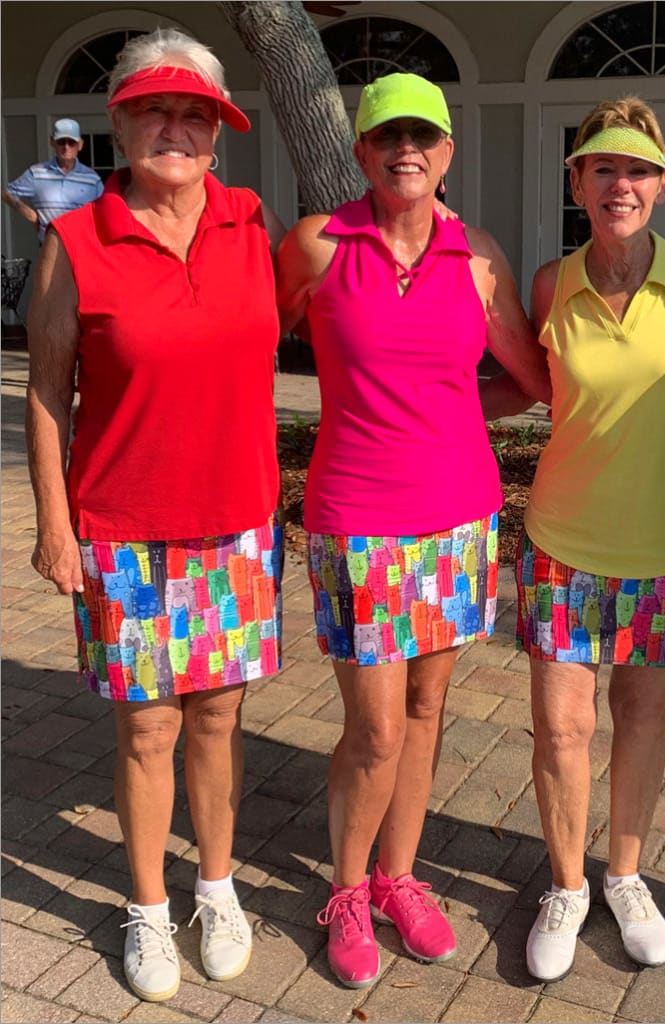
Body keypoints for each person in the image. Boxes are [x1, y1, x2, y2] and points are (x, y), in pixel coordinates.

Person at [25, 29, 285, 1003]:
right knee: (148, 728)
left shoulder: (250, 222)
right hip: (125, 528)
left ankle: (214, 886)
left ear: (218, 131)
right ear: (119, 122)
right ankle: (145, 906)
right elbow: (47, 393)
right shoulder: (75, 241)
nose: (172, 129)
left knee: (217, 717)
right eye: (152, 110)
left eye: (193, 115)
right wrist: (55, 526)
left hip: (236, 522)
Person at [275, 72, 551, 990]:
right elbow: (243, 349)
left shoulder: (478, 262)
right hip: (355, 517)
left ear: (447, 154)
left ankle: (399, 876)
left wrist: (459, 416)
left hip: (458, 519)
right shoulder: (317, 246)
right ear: (360, 152)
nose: (407, 151)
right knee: (377, 728)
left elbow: (533, 378)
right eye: (388, 137)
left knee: (430, 709)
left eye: (424, 138)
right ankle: (347, 891)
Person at [516, 97, 665, 981]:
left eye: (638, 169)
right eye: (602, 167)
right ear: (576, 181)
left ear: (662, 185)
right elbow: (540, 391)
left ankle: (626, 875)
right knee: (561, 729)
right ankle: (567, 887)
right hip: (563, 539)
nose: (621, 184)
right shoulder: (547, 284)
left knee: (641, 721)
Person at [3, 118, 103, 242]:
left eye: (71, 142)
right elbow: (6, 194)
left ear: (80, 144)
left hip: (81, 245)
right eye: (61, 142)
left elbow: (103, 211)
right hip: (49, 245)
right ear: (52, 142)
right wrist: (30, 214)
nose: (66, 147)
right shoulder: (36, 173)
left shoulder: (92, 179)